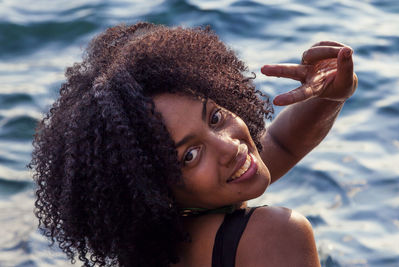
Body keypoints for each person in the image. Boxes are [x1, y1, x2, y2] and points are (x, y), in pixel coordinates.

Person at [30, 22, 357, 267]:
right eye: (189, 155)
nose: (229, 147)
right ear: (153, 190)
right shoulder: (273, 235)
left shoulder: (154, 248)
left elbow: (281, 145)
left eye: (215, 118)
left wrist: (332, 95)